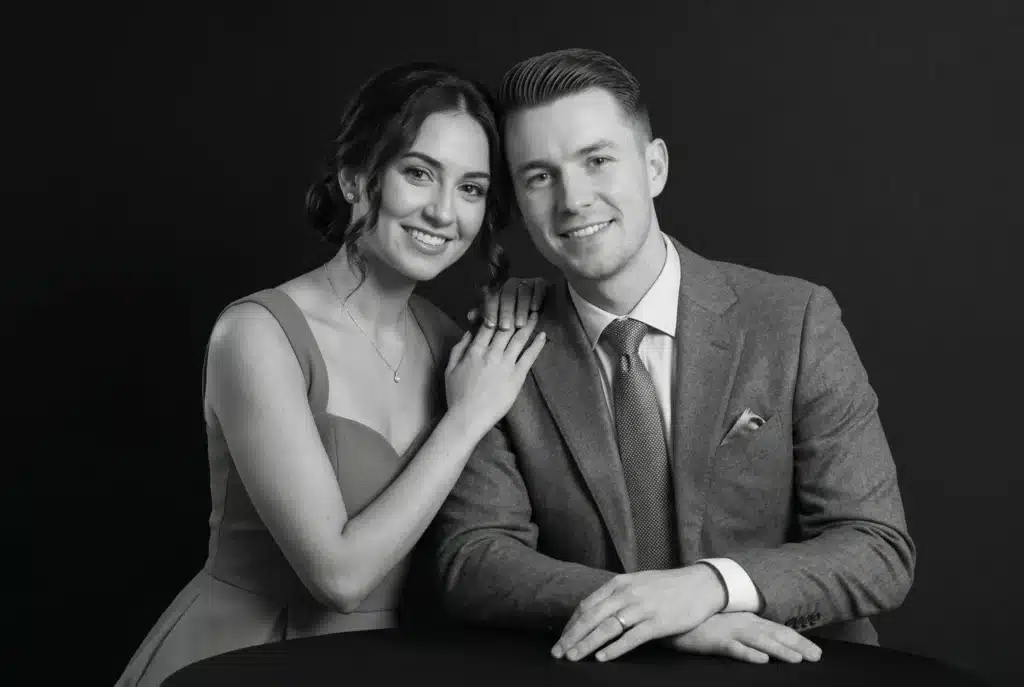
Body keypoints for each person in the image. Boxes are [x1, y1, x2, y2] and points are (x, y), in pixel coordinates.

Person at [431, 48, 916, 666]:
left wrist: (708, 588)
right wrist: (653, 616)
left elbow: (877, 548)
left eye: (597, 160)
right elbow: (472, 558)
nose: (573, 198)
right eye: (539, 176)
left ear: (653, 166)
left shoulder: (793, 320)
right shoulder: (504, 345)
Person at [115, 61, 547, 687]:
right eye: (419, 173)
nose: (442, 212)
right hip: (235, 663)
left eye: (472, 189)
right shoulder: (258, 334)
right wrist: (467, 418)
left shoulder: (454, 344)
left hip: (376, 664)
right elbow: (338, 577)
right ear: (354, 179)